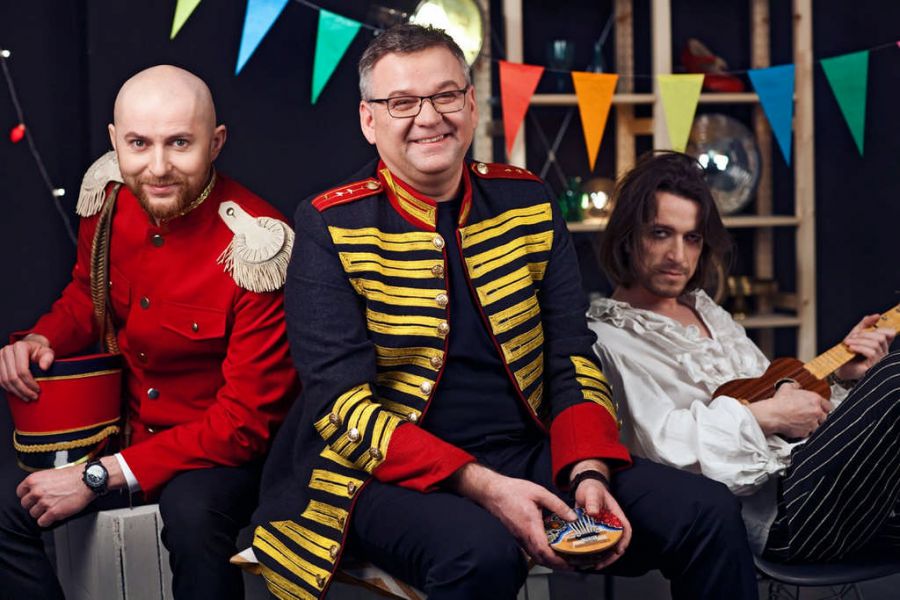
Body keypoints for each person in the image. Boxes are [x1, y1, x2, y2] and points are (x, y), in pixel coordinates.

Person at [250, 24, 756, 600]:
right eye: (402, 102)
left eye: (445, 95)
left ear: (470, 104)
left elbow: (572, 357)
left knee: (708, 512)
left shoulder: (528, 201)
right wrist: (486, 487)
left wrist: (588, 468)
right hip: (379, 474)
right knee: (480, 552)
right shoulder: (328, 223)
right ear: (369, 120)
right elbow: (342, 408)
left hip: (529, 451)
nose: (429, 117)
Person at [0, 65, 298, 600]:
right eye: (139, 144)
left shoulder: (258, 246)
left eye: (180, 143)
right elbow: (87, 292)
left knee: (191, 518)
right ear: (116, 141)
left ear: (216, 142)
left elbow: (245, 424)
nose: (158, 168)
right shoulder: (109, 199)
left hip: (219, 454)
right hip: (122, 431)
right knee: (5, 503)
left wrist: (98, 476)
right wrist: (43, 339)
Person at [588, 150, 899, 562]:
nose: (678, 255)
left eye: (692, 238)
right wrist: (766, 416)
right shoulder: (606, 339)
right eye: (660, 233)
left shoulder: (708, 312)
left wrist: (841, 378)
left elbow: (774, 394)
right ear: (628, 237)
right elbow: (659, 448)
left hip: (819, 478)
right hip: (779, 515)